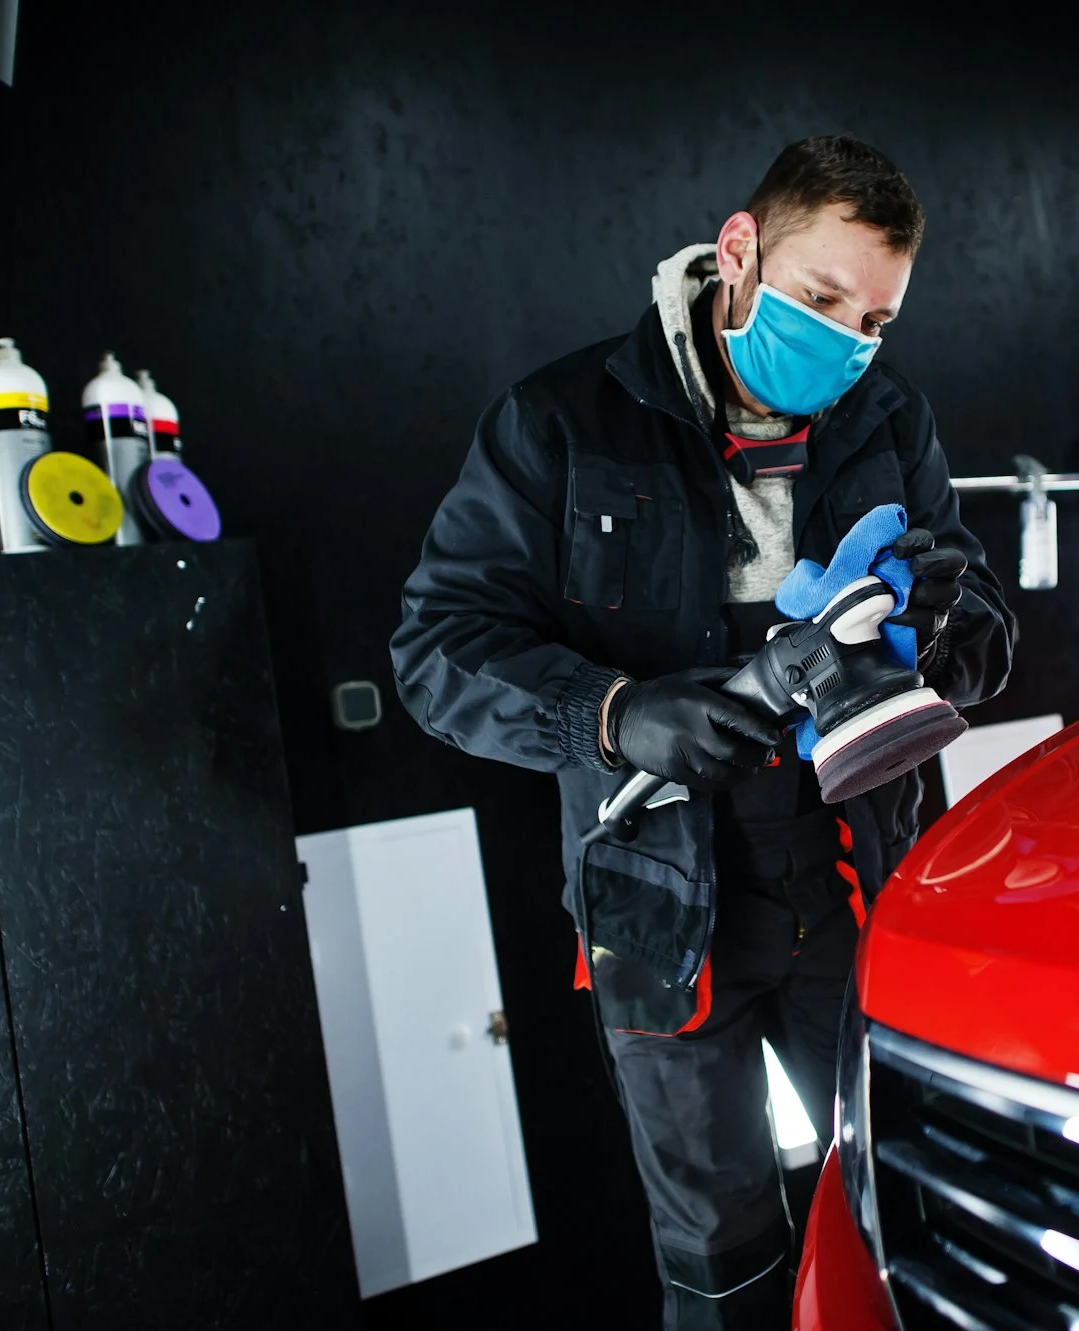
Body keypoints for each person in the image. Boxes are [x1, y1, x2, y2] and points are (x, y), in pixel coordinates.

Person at [390, 135, 1015, 1329]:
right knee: (719, 1258)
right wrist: (615, 713)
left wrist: (934, 620)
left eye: (874, 320)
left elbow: (984, 638)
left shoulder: (888, 418)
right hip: (660, 910)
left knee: (909, 1212)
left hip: (851, 883)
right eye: (819, 299)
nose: (845, 343)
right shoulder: (560, 422)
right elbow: (436, 651)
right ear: (738, 251)